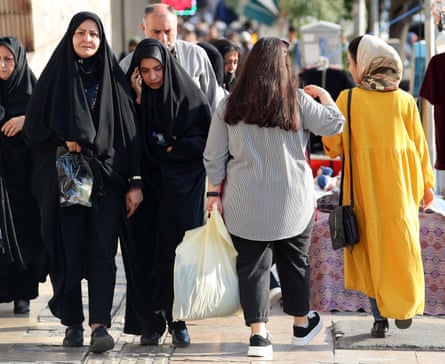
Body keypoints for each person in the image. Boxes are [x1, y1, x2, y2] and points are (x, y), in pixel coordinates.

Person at [203, 37, 345, 357]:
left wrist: (213, 191)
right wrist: (323, 95)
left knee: (252, 266)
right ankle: (299, 324)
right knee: (295, 263)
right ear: (285, 67)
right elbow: (335, 125)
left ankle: (259, 335)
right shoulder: (296, 100)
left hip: (245, 201)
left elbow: (213, 155)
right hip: (293, 200)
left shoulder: (229, 105)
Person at [23, 12, 143, 353]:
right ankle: (73, 323)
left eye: (93, 34)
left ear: (101, 39)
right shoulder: (55, 76)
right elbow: (34, 129)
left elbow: (129, 135)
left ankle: (99, 326)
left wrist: (135, 182)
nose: (87, 39)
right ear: (70, 37)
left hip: (105, 180)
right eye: (81, 33)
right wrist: (65, 138)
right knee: (68, 250)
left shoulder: (114, 78)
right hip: (66, 177)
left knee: (103, 253)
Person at [322, 34, 435, 339]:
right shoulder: (405, 100)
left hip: (365, 193)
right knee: (402, 248)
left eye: (352, 62)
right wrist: (427, 185)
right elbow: (421, 146)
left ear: (366, 64)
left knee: (371, 252)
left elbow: (333, 148)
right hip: (401, 192)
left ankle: (379, 318)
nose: (351, 67)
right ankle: (403, 306)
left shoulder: (349, 99)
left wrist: (325, 103)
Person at [121, 38, 212, 348]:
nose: (152, 77)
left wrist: (175, 148)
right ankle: (149, 323)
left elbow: (205, 141)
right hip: (144, 189)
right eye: (144, 71)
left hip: (180, 190)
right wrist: (135, 101)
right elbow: (128, 140)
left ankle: (177, 320)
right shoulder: (134, 98)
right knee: (143, 252)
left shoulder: (191, 97)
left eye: (157, 69)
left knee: (176, 257)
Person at [0, 36, 46, 315]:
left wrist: (26, 121)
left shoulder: (33, 94)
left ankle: (23, 293)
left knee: (25, 235)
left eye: (8, 59)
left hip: (26, 183)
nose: (2, 64)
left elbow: (49, 124)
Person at [119, 3, 222, 111]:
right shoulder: (127, 66)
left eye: (168, 31)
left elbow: (214, 103)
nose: (163, 38)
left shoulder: (195, 56)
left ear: (176, 27)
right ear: (144, 28)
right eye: (156, 32)